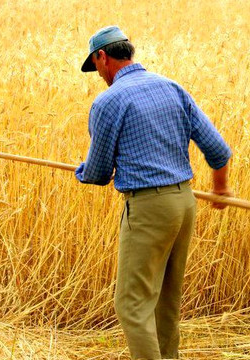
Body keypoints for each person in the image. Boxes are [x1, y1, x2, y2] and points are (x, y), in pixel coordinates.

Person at [75, 25, 233, 359]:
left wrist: (83, 171)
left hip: (148, 209)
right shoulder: (171, 88)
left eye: (96, 66)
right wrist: (220, 189)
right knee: (165, 302)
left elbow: (99, 173)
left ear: (103, 57)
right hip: (184, 203)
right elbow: (218, 149)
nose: (99, 75)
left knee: (131, 306)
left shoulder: (108, 101)